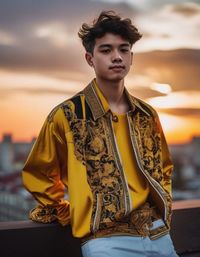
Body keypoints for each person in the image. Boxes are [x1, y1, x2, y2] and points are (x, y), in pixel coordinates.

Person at [22, 10, 179, 257]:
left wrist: (162, 211)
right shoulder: (68, 115)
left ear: (131, 57)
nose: (117, 57)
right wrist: (71, 212)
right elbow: (38, 174)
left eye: (123, 49)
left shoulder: (147, 114)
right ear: (89, 58)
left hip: (158, 234)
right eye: (106, 50)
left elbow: (164, 169)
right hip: (106, 242)